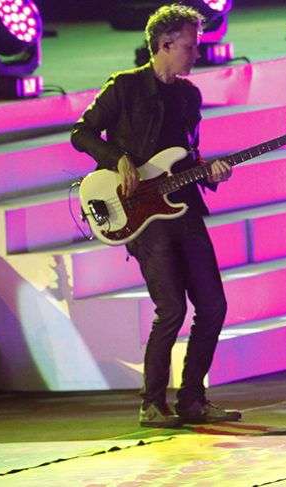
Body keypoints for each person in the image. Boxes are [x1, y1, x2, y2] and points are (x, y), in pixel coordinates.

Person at [71, 4, 241, 428]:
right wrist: (118, 159)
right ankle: (151, 402)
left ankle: (192, 400)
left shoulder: (189, 95)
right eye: (189, 46)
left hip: (183, 205)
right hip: (140, 214)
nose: (196, 53)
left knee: (214, 305)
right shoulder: (125, 88)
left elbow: (190, 155)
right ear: (164, 45)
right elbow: (81, 133)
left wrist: (212, 173)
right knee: (171, 309)